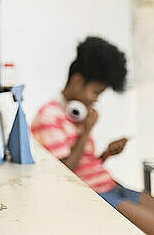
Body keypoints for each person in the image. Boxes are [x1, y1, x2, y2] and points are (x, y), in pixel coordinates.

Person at [31, 36, 154, 233]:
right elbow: (66, 171)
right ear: (78, 80)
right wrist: (87, 130)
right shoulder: (48, 116)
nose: (95, 100)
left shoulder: (76, 116)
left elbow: (84, 164)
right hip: (95, 194)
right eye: (95, 92)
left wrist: (105, 154)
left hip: (111, 185)